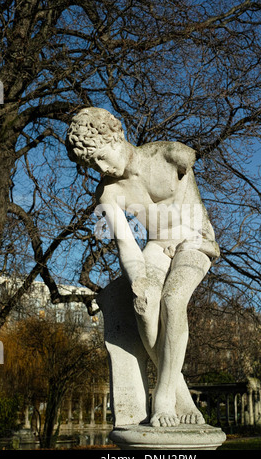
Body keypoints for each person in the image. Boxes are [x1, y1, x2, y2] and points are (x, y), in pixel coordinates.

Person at [66, 107, 220, 427]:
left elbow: (189, 158)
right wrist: (137, 281)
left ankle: (163, 398)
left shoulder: (166, 156)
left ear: (115, 136)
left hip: (194, 241)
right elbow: (127, 247)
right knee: (146, 310)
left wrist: (183, 158)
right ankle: (181, 393)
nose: (100, 167)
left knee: (172, 300)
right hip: (156, 249)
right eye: (91, 163)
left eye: (101, 156)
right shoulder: (109, 193)